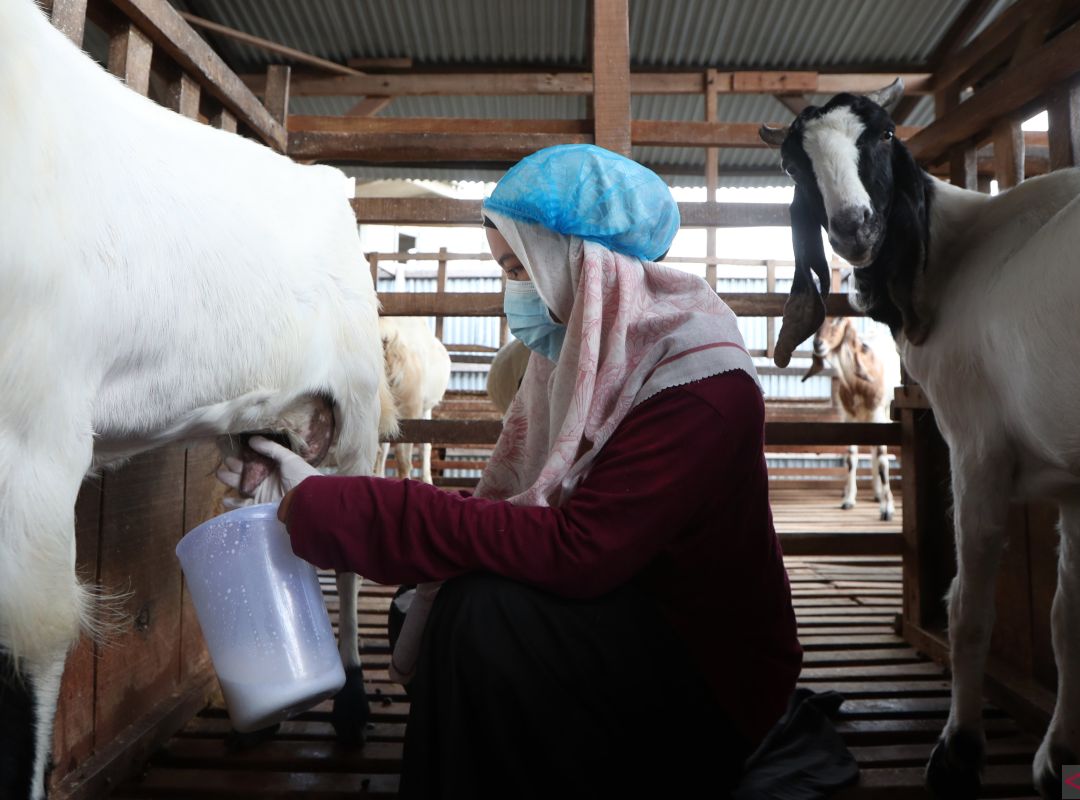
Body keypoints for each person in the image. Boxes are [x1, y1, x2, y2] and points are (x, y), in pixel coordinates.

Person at [223, 145, 855, 799]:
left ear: (573, 260)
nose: (511, 292)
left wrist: (344, 506)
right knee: (425, 604)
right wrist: (339, 498)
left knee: (480, 613)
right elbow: (533, 511)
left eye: (515, 267)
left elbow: (579, 549)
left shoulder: (697, 383)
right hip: (639, 609)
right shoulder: (579, 355)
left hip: (713, 678)